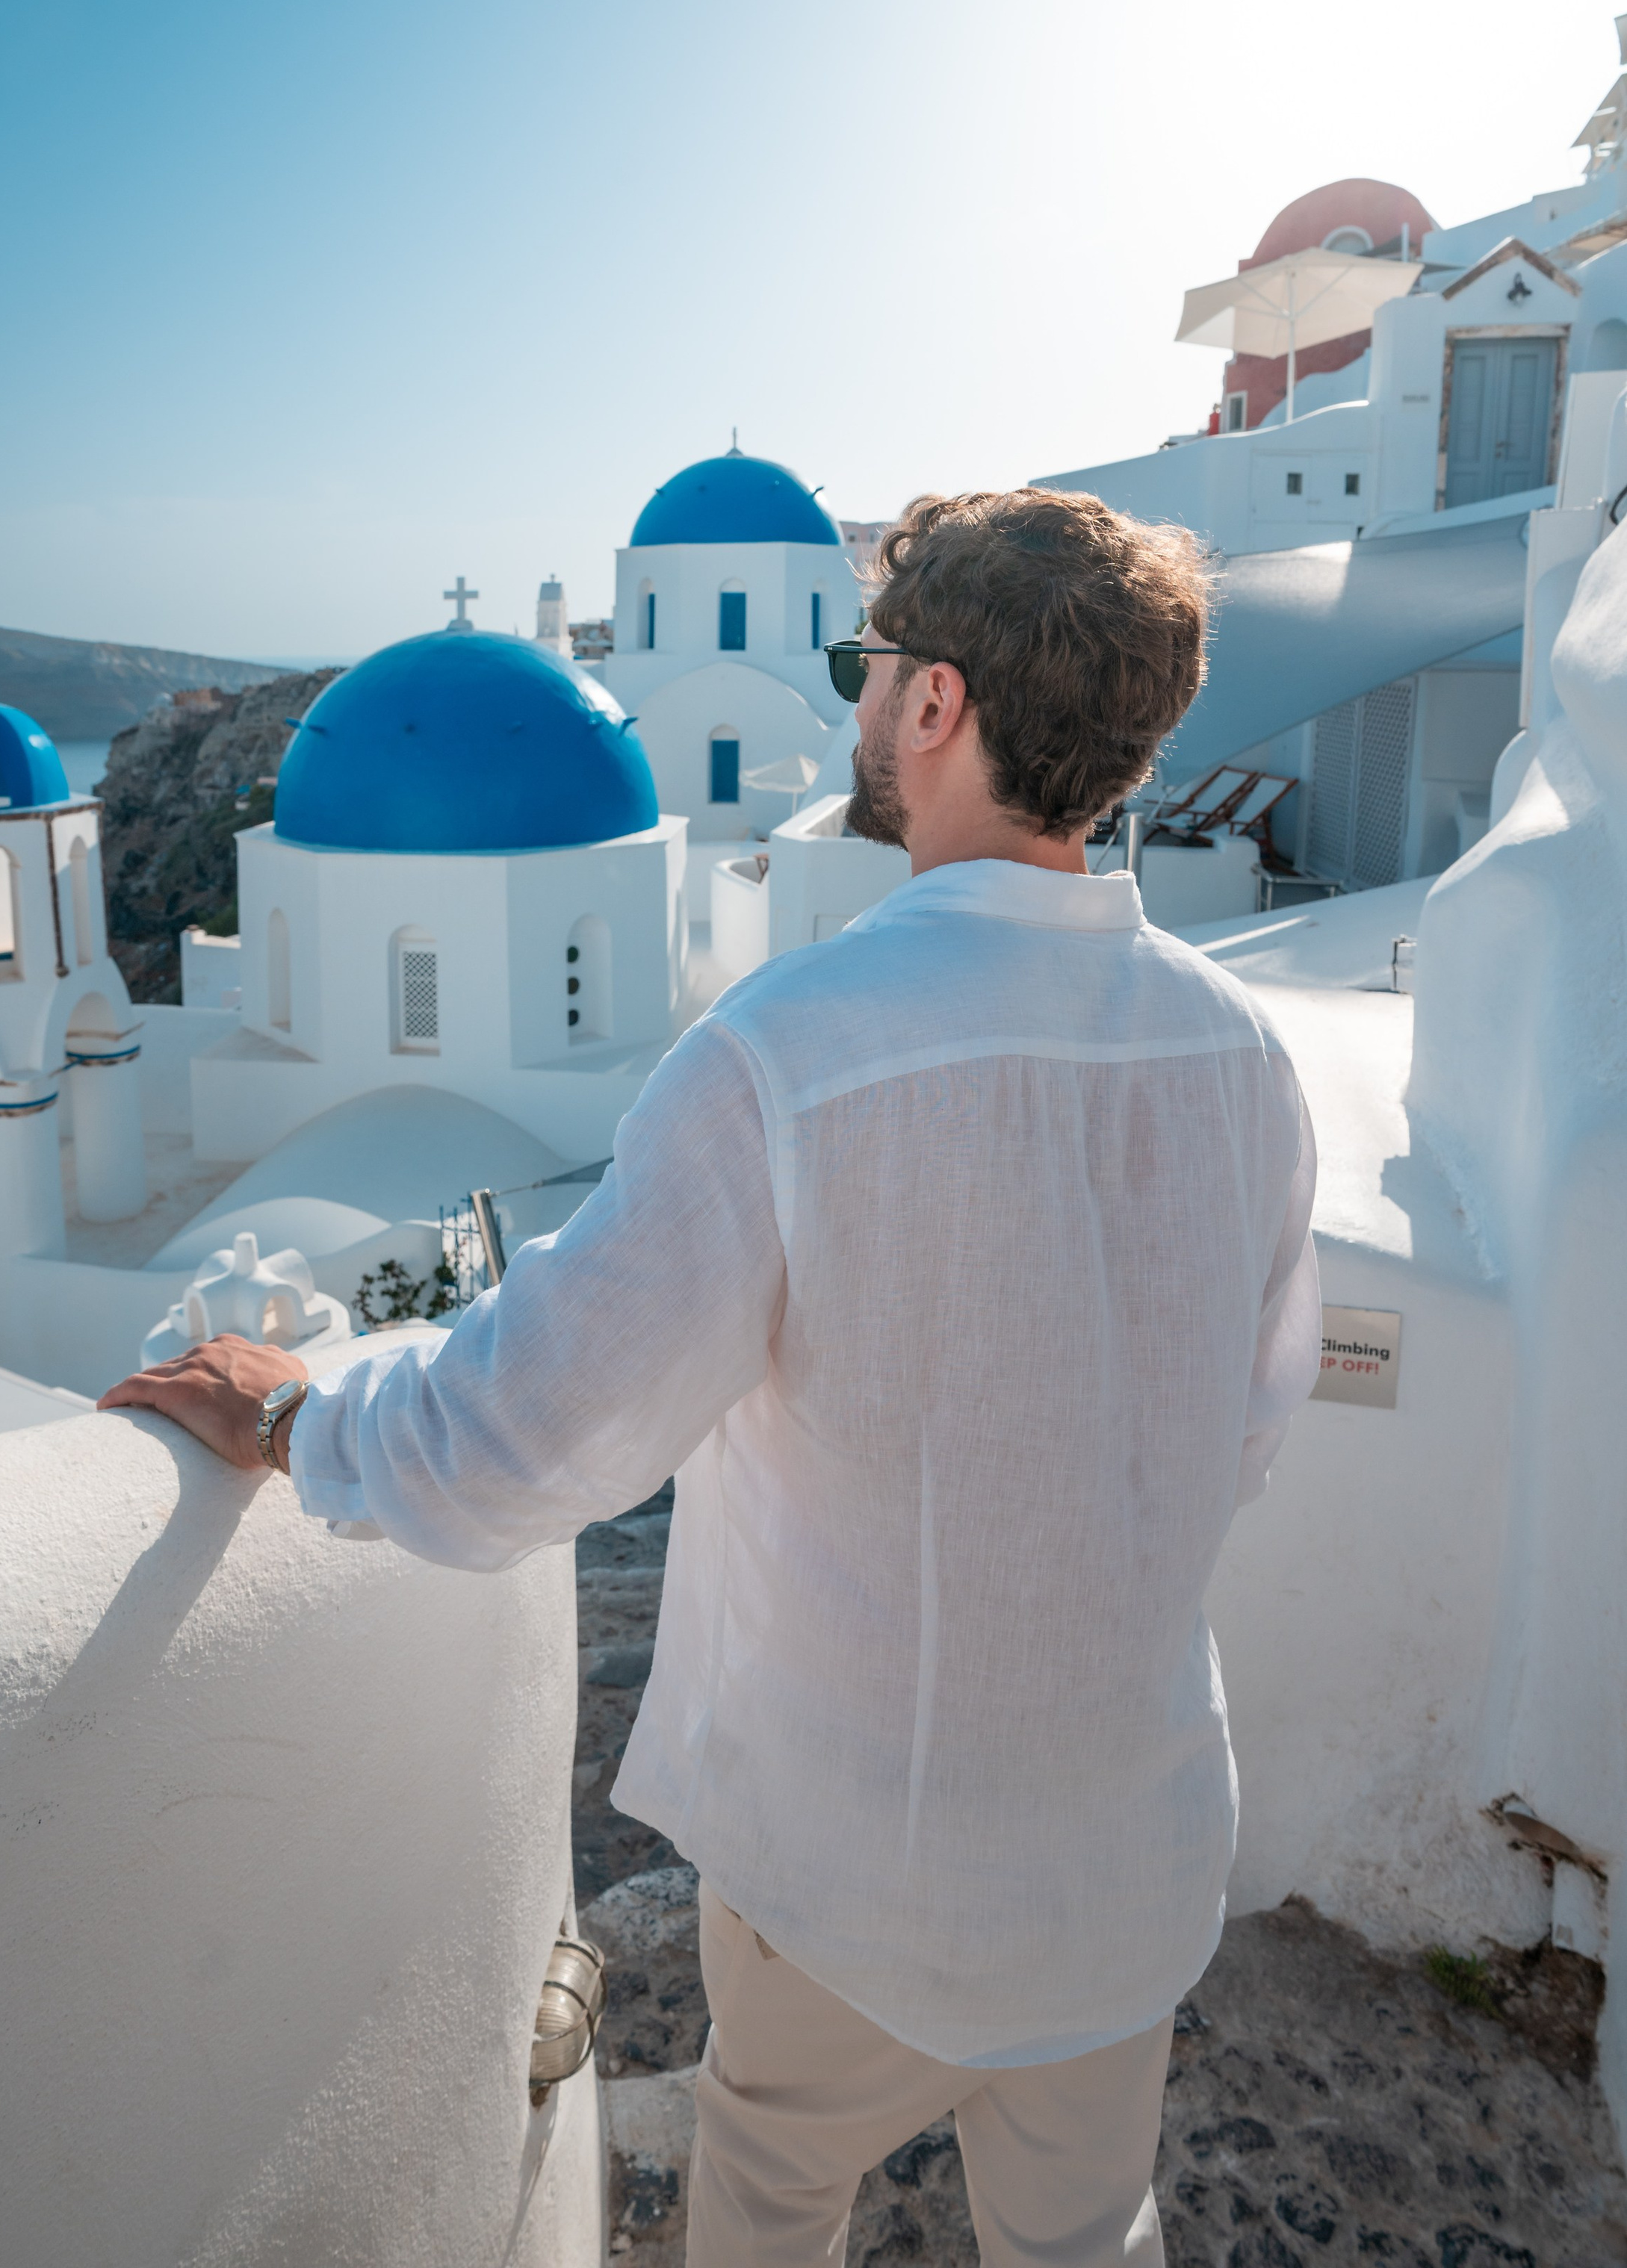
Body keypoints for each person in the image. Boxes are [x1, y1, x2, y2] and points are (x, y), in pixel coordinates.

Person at [102, 487, 1321, 2268]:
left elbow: (533, 1429)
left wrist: (300, 1416)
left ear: (935, 707)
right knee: (1086, 2233)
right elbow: (1244, 1421)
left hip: (862, 1867)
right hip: (1128, 1854)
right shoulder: (1242, 1054)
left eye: (868, 664)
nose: (852, 701)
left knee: (768, 2203)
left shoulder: (783, 1059)